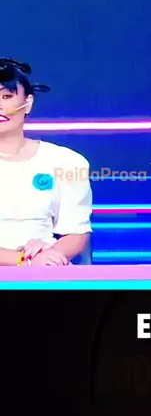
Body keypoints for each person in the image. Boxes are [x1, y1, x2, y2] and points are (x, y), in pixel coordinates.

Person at [0, 58, 92, 266]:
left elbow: (77, 233)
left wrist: (50, 255)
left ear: (28, 103)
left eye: (6, 96)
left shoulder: (66, 161)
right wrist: (22, 260)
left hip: (43, 272)